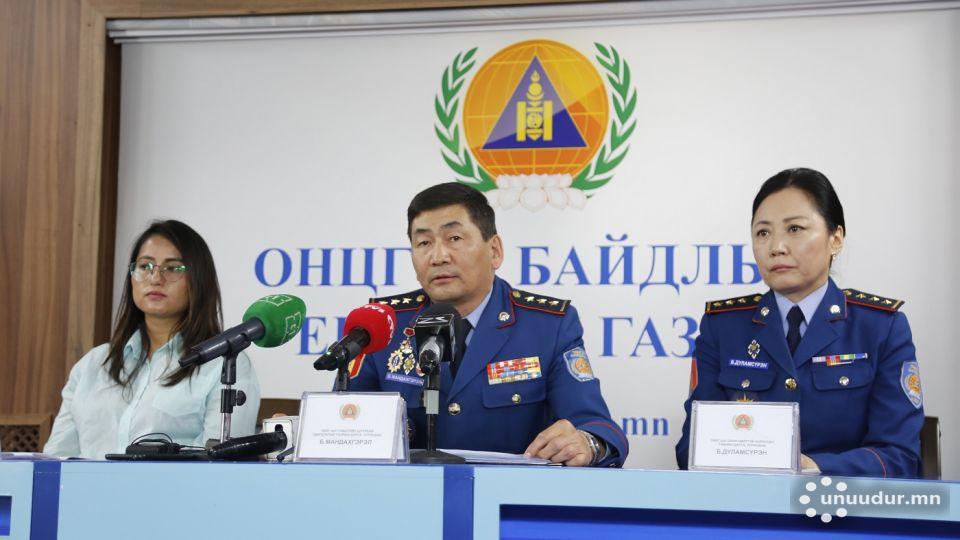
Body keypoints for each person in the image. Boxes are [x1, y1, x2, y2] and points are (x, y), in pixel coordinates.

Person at [346, 182, 627, 467]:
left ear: (494, 251)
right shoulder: (384, 325)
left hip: (510, 492)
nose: (438, 257)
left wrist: (587, 443)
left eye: (454, 238)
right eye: (424, 243)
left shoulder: (548, 326)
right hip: (406, 492)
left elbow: (597, 426)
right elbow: (343, 425)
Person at [676, 168, 923, 478]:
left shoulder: (880, 327)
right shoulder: (723, 327)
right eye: (763, 233)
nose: (776, 246)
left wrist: (815, 468)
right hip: (748, 500)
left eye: (794, 229)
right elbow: (690, 450)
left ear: (836, 239)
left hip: (841, 503)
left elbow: (900, 458)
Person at [44, 220, 261, 458]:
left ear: (199, 279)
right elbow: (56, 460)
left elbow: (218, 467)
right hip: (85, 484)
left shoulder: (224, 364)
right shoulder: (92, 365)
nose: (155, 278)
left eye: (173, 268)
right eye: (145, 266)